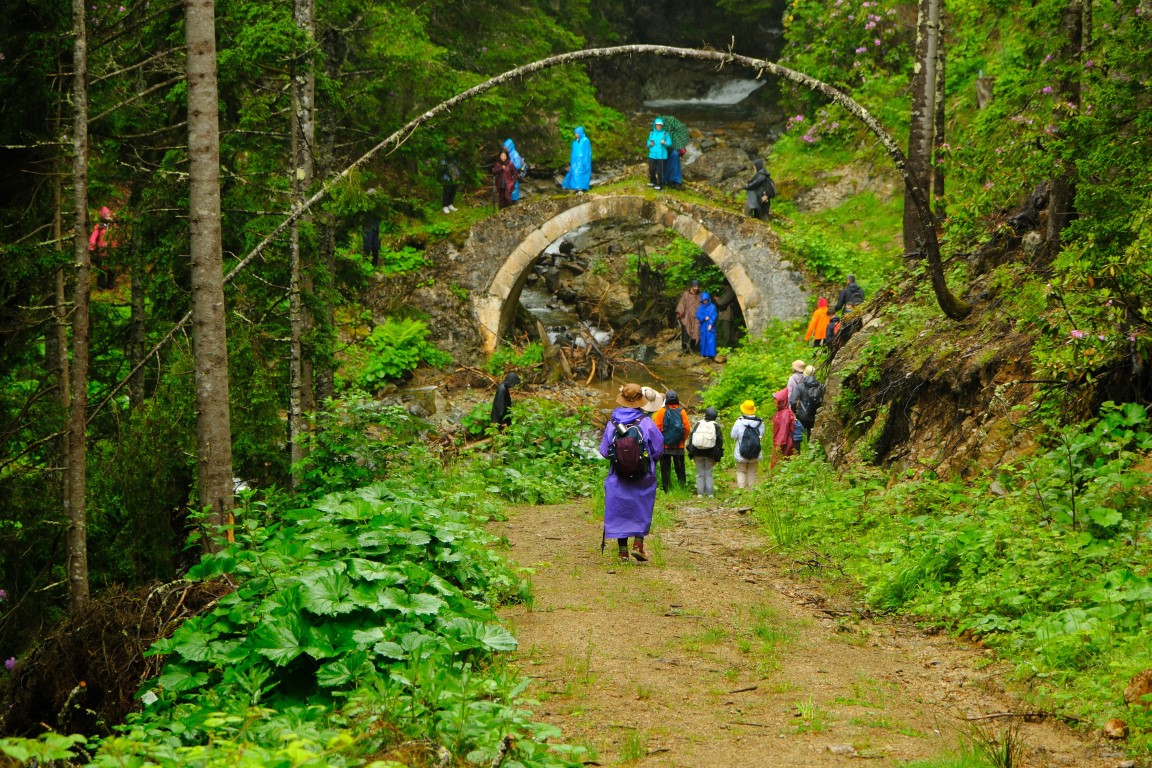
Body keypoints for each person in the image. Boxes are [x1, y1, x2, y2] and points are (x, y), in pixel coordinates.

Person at [599, 384, 665, 562]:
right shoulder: (646, 422)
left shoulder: (612, 423)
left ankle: (622, 552)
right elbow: (658, 448)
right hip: (643, 475)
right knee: (641, 506)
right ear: (640, 401)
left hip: (618, 474)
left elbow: (604, 451)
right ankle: (638, 545)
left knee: (621, 509)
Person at [654, 390, 690, 492]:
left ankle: (666, 489)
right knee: (680, 468)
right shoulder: (682, 412)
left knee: (665, 469)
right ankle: (682, 488)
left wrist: (661, 441)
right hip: (679, 446)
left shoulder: (661, 412)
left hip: (664, 446)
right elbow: (687, 428)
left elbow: (656, 429)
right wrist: (682, 439)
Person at [687, 406, 723, 498]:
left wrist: (691, 454)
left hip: (697, 452)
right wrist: (717, 456)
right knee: (708, 473)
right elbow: (719, 442)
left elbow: (692, 438)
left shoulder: (699, 424)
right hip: (710, 453)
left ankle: (700, 494)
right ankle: (710, 493)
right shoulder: (715, 426)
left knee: (699, 474)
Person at [731, 400, 765, 490]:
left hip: (741, 451)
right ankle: (752, 489)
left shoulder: (739, 422)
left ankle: (741, 489)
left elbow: (733, 435)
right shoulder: (760, 422)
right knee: (752, 471)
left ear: (743, 410)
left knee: (741, 471)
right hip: (755, 451)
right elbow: (761, 435)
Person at [794, 364, 825, 443]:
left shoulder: (801, 386)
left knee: (796, 435)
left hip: (802, 415)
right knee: (811, 436)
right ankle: (811, 451)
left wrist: (795, 411)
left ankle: (797, 452)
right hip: (815, 415)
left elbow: (792, 400)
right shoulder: (821, 386)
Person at [89, 205, 117, 288]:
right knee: (102, 267)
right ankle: (101, 284)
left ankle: (110, 283)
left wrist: (117, 245)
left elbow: (117, 236)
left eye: (109, 215)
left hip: (112, 249)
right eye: (107, 216)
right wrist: (91, 247)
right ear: (103, 216)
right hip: (102, 250)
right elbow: (93, 237)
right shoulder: (99, 226)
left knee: (112, 267)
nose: (109, 217)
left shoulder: (113, 226)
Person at [771, 388, 797, 468]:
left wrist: (779, 445)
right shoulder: (781, 412)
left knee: (778, 466)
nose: (774, 401)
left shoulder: (785, 414)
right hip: (782, 443)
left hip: (784, 444)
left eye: (776, 399)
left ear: (781, 401)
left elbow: (783, 431)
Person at [561, 126, 592, 192]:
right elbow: (573, 152)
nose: (576, 134)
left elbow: (587, 152)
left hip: (582, 161)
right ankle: (575, 188)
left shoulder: (585, 140)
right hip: (575, 162)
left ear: (580, 132)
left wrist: (585, 161)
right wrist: (572, 161)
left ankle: (581, 188)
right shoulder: (574, 142)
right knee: (574, 174)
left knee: (580, 174)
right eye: (575, 133)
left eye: (577, 133)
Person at [646, 117, 673, 190]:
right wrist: (650, 144)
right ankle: (653, 181)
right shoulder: (651, 133)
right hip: (652, 154)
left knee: (660, 171)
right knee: (651, 169)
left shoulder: (666, 134)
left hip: (662, 155)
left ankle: (660, 184)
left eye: (660, 125)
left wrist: (665, 143)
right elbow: (648, 143)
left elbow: (670, 143)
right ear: (655, 125)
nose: (659, 126)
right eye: (657, 125)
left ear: (662, 126)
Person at [675, 281, 702, 354]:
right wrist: (680, 312)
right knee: (685, 332)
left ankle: (693, 348)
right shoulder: (686, 294)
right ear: (692, 287)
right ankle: (684, 348)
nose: (696, 288)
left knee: (696, 332)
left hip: (696, 317)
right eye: (695, 287)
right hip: (687, 316)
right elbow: (682, 303)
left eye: (697, 287)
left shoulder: (700, 295)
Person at [713, 282, 738, 348]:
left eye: (724, 285)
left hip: (727, 315)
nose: (723, 287)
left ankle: (727, 348)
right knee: (730, 333)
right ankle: (732, 347)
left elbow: (722, 302)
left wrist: (716, 298)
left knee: (727, 334)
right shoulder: (729, 291)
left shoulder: (730, 291)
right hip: (728, 315)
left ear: (726, 285)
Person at [696, 291, 718, 360]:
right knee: (703, 340)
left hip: (710, 326)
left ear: (708, 299)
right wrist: (704, 318)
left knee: (711, 340)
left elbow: (714, 316)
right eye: (703, 300)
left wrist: (711, 324)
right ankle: (704, 353)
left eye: (706, 300)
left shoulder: (712, 306)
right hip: (703, 326)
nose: (705, 301)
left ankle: (711, 354)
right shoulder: (700, 307)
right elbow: (698, 315)